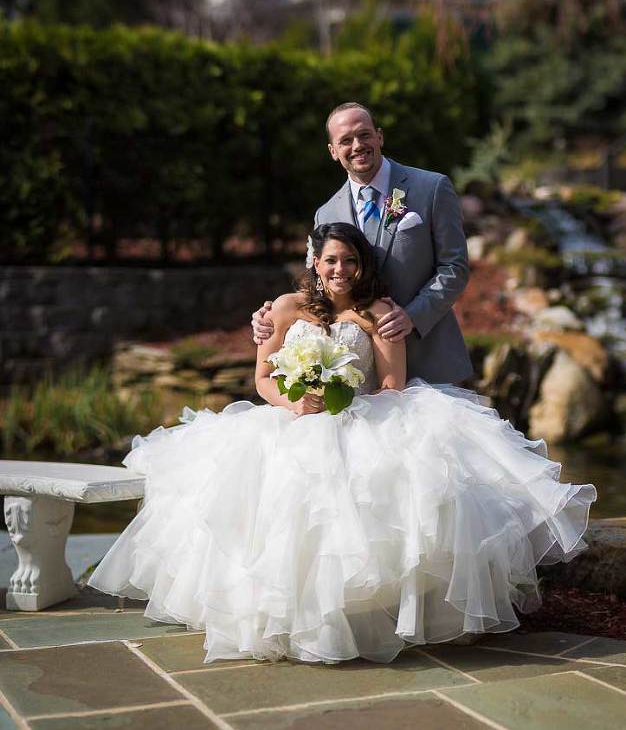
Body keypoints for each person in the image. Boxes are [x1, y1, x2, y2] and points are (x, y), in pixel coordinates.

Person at [89, 222, 596, 664]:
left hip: (362, 416)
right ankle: (284, 620)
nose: (340, 269)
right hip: (293, 420)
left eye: (350, 260)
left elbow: (393, 385)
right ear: (315, 263)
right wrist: (295, 403)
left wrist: (347, 397)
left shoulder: (379, 312)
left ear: (362, 266)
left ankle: (369, 620)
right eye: (331, 260)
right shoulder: (285, 308)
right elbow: (263, 379)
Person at [252, 102, 472, 384]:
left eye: (364, 135)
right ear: (333, 151)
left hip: (429, 360)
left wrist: (412, 317)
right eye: (346, 140)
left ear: (379, 137)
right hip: (355, 373)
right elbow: (318, 284)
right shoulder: (325, 214)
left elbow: (454, 268)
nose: (357, 145)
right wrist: (272, 314)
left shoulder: (432, 188)